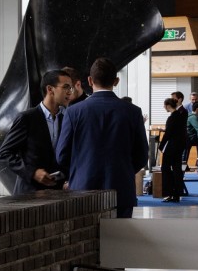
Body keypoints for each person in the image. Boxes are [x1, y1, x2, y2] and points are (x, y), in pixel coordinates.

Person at [55, 58, 148, 218]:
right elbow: (141, 155)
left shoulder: (74, 112)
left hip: (82, 188)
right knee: (120, 239)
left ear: (90, 81)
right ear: (116, 81)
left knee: (84, 239)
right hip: (121, 188)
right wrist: (123, 169)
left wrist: (79, 171)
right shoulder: (133, 112)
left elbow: (62, 155)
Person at [0, 69, 72, 196]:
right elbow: (4, 153)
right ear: (50, 89)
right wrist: (33, 173)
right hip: (29, 193)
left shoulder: (66, 119)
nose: (70, 92)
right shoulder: (27, 118)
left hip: (57, 193)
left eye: (71, 88)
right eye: (66, 87)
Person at [159, 97, 187, 203]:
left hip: (171, 146)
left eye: (164, 105)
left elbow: (168, 134)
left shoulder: (171, 118)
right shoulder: (181, 116)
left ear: (168, 106)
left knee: (165, 169)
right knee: (177, 169)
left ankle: (169, 193)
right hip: (180, 146)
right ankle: (177, 194)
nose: (164, 107)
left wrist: (161, 146)